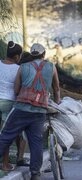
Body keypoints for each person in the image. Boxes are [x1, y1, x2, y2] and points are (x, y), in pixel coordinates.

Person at [0, 43, 61, 180]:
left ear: (31, 54)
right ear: (44, 54)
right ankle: (35, 173)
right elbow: (56, 89)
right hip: (40, 110)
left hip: (21, 108)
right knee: (36, 142)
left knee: (6, 136)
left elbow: (16, 90)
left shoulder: (22, 67)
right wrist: (57, 103)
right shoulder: (51, 67)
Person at [0, 41, 27, 171]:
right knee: (7, 133)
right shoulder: (18, 69)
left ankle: (17, 158)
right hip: (9, 103)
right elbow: (19, 88)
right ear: (17, 56)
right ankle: (5, 164)